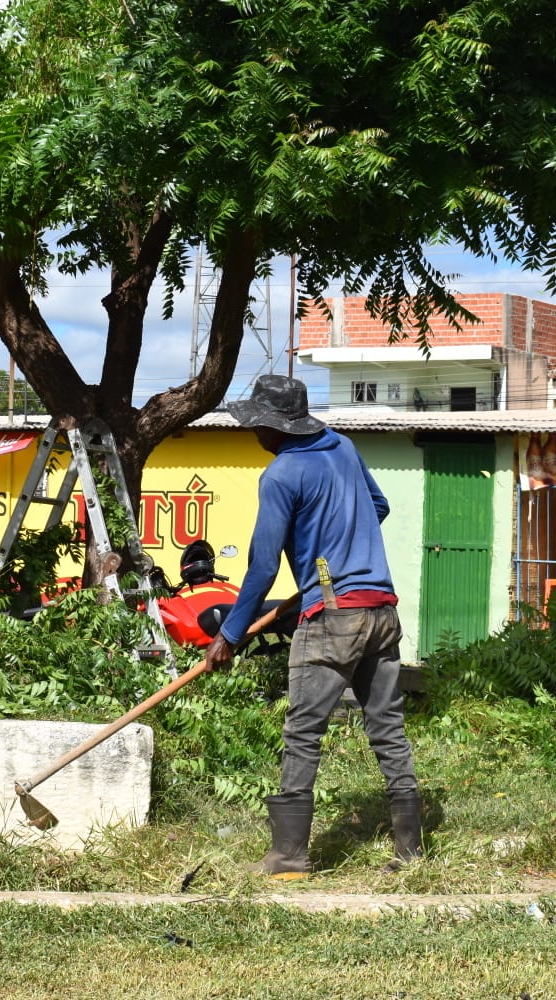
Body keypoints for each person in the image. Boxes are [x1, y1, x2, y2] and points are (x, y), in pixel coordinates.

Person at [204, 374, 422, 876]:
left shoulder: (281, 474)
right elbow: (380, 506)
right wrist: (333, 561)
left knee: (303, 731)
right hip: (381, 609)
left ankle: (289, 855)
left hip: (333, 617)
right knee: (387, 728)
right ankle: (409, 853)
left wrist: (229, 635)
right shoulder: (343, 448)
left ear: (271, 426)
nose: (251, 432)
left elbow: (261, 567)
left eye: (253, 424)